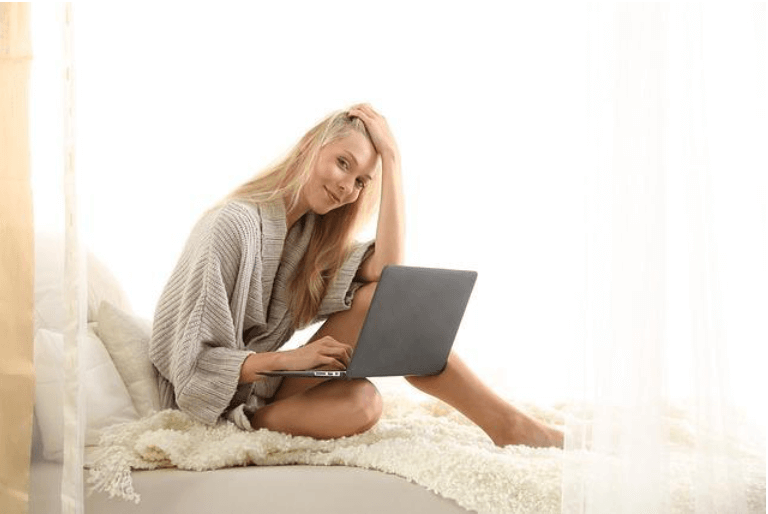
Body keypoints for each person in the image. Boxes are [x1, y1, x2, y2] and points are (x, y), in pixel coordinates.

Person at [148, 103, 564, 448]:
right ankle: (240, 431)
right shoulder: (232, 224)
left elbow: (389, 273)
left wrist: (394, 162)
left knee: (383, 302)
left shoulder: (307, 237)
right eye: (342, 164)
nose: (347, 187)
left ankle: (508, 425)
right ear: (311, 147)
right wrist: (288, 360)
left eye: (361, 181)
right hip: (207, 402)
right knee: (362, 404)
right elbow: (192, 366)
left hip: (262, 385)